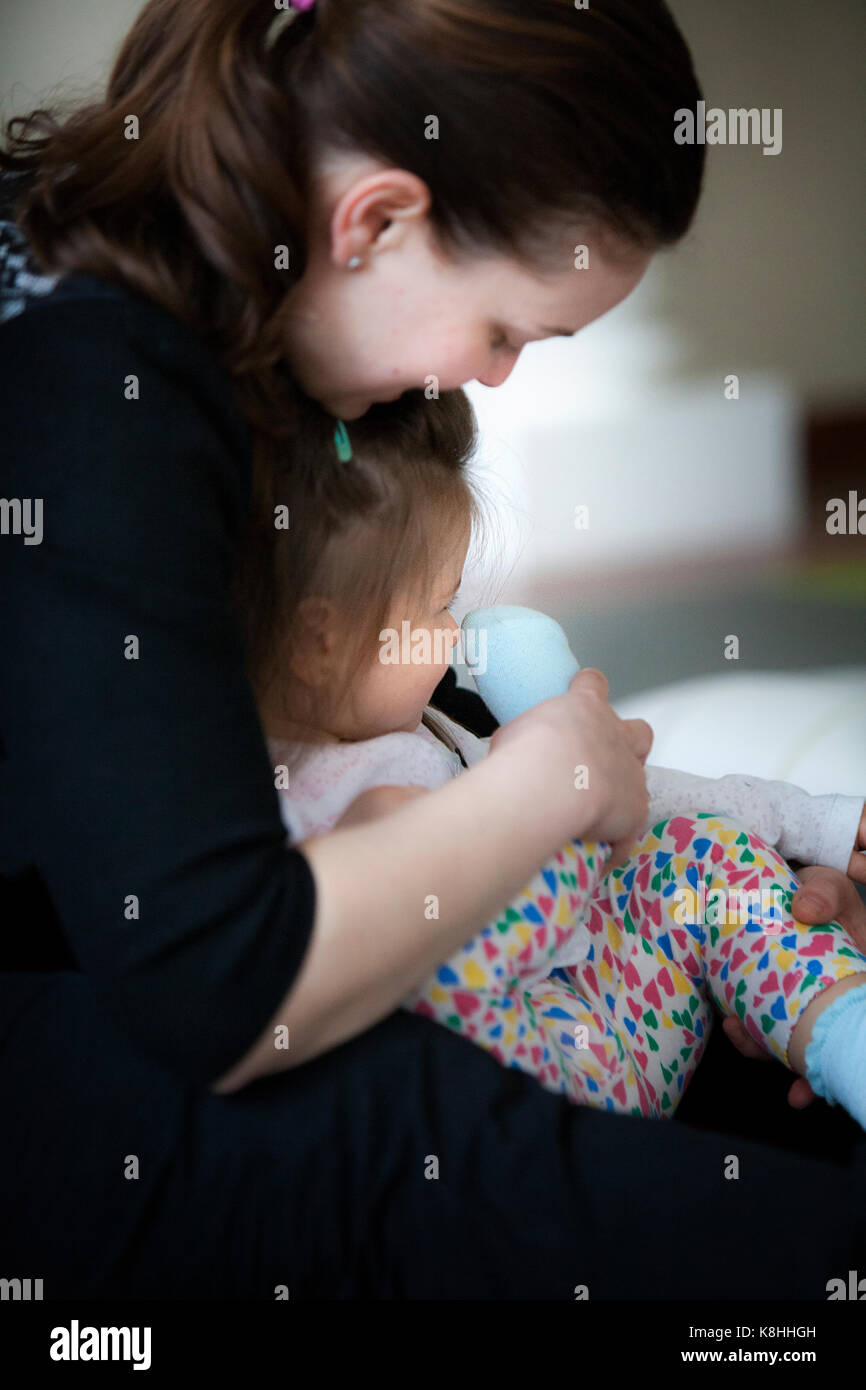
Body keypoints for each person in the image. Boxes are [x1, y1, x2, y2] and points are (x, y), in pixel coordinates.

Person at [2, 0, 865, 1299]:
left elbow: (397, 701)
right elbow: (226, 987)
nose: (496, 381)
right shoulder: (91, 391)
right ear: (376, 222)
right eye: (507, 330)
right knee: (432, 1135)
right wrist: (548, 789)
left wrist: (771, 861)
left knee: (732, 1054)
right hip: (110, 997)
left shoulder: (235, 320)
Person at [232, 384, 866, 1122]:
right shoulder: (261, 793)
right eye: (438, 605)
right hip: (492, 1083)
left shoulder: (432, 729)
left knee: (702, 854)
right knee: (404, 844)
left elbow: (648, 793)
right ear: (320, 642)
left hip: (616, 1016)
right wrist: (545, 786)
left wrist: (811, 824)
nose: (454, 636)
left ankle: (841, 1033)